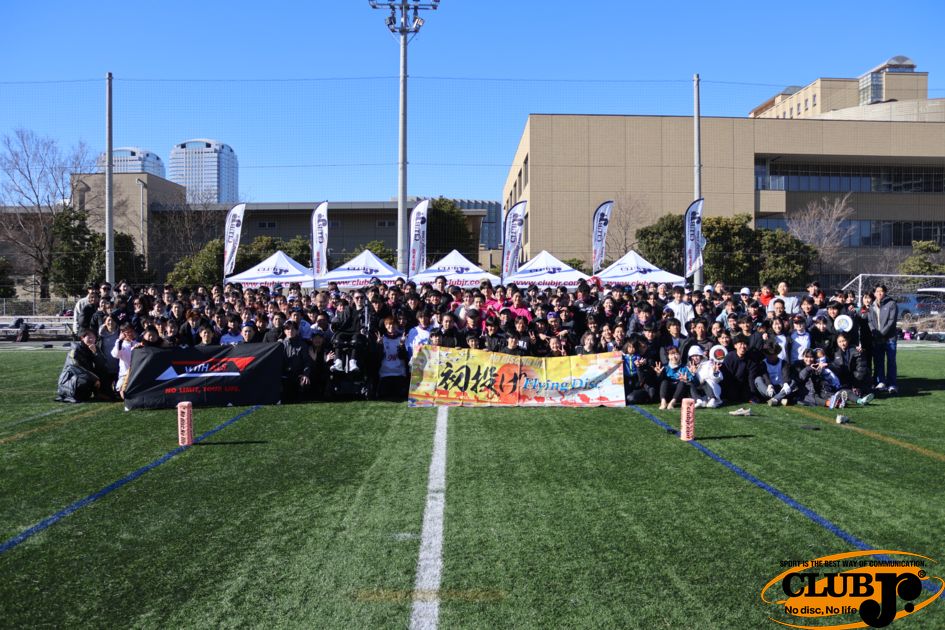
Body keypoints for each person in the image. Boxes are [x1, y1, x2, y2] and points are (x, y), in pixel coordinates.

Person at [868, 284, 898, 394]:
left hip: (890, 338)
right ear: (874, 293)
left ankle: (892, 384)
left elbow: (891, 321)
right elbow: (870, 321)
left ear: (885, 292)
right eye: (877, 291)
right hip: (877, 338)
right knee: (879, 361)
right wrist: (874, 332)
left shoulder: (891, 304)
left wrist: (881, 333)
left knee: (891, 361)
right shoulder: (872, 305)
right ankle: (881, 382)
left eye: (881, 291)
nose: (879, 293)